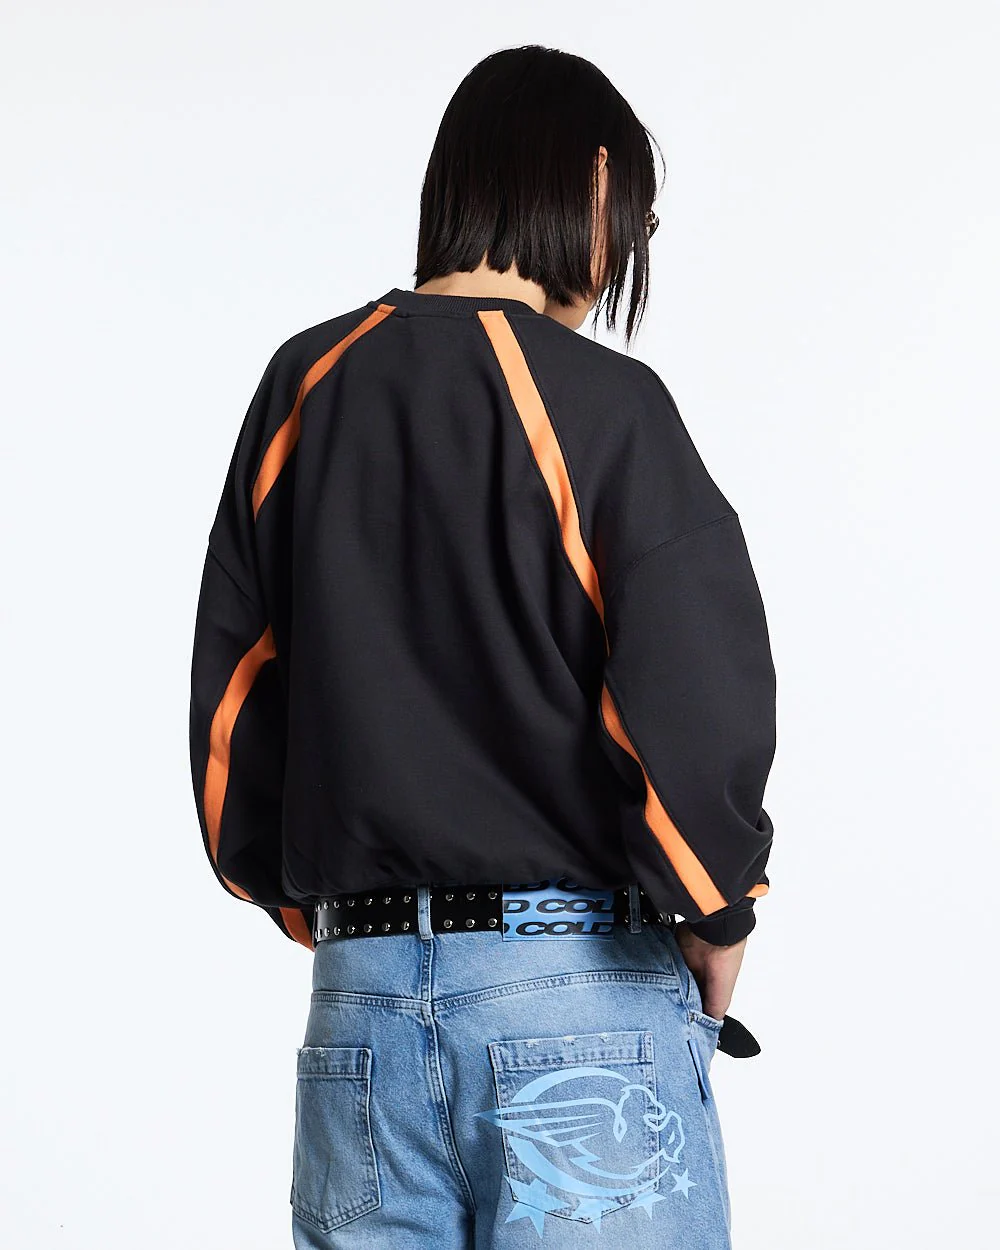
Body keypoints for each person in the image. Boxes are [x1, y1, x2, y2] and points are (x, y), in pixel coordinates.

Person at [188, 43, 777, 1249]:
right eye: (636, 218)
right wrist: (716, 912)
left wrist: (348, 921)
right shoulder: (602, 404)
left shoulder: (304, 386)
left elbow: (236, 699)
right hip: (578, 1002)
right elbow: (694, 692)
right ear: (595, 180)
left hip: (357, 1015)